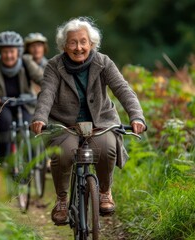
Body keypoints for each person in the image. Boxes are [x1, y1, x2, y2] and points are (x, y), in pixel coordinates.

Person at [31, 17, 147, 225]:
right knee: (63, 154)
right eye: (73, 42)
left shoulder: (103, 62)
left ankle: (104, 191)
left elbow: (123, 90)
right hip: (65, 124)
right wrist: (40, 117)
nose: (78, 47)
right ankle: (62, 200)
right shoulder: (54, 66)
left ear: (91, 44)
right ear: (64, 45)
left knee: (107, 148)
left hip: (101, 122)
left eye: (83, 42)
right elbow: (46, 93)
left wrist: (136, 116)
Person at [0, 31, 44, 164]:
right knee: (5, 122)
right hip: (2, 104)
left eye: (12, 51)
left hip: (25, 103)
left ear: (18, 52)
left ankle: (32, 162)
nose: (9, 55)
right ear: (0, 52)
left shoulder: (27, 62)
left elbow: (42, 78)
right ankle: (2, 162)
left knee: (31, 125)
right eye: (5, 52)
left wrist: (49, 89)